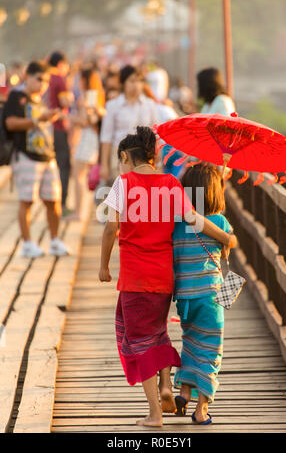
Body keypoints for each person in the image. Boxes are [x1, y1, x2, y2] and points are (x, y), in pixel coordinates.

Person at [98, 127, 237, 427]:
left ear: (125, 157)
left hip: (136, 280)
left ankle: (155, 414)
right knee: (157, 332)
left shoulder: (123, 184)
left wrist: (103, 266)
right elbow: (194, 219)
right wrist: (224, 238)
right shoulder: (171, 183)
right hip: (165, 281)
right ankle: (165, 386)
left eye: (121, 161)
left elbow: (111, 228)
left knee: (138, 341)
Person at [173, 163, 235, 424]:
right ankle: (201, 410)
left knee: (191, 341)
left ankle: (185, 392)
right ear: (215, 193)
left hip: (184, 296)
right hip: (210, 295)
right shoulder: (219, 221)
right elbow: (226, 251)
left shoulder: (176, 223)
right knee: (210, 350)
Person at [3, 61, 68, 258]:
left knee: (53, 200)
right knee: (27, 201)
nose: (43, 84)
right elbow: (10, 123)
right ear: (27, 76)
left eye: (46, 81)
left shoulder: (40, 99)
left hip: (47, 155)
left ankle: (55, 240)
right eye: (39, 79)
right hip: (25, 154)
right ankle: (27, 243)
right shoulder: (16, 96)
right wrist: (38, 120)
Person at [100, 65, 158, 184]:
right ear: (123, 83)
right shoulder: (113, 105)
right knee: (124, 194)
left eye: (139, 81)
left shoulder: (150, 105)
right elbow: (106, 137)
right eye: (131, 81)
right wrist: (104, 165)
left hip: (144, 157)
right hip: (121, 157)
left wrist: (158, 159)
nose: (136, 85)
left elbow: (156, 133)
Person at [67, 66, 106, 221]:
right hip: (90, 137)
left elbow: (86, 120)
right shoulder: (96, 94)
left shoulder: (89, 95)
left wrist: (70, 118)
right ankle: (82, 211)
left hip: (88, 137)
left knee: (79, 175)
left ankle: (79, 212)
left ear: (84, 79)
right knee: (82, 176)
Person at [47, 51, 74, 215]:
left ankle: (49, 203)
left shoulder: (43, 77)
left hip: (44, 129)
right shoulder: (58, 79)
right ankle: (61, 203)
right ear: (60, 65)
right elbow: (64, 102)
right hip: (58, 127)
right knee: (63, 166)